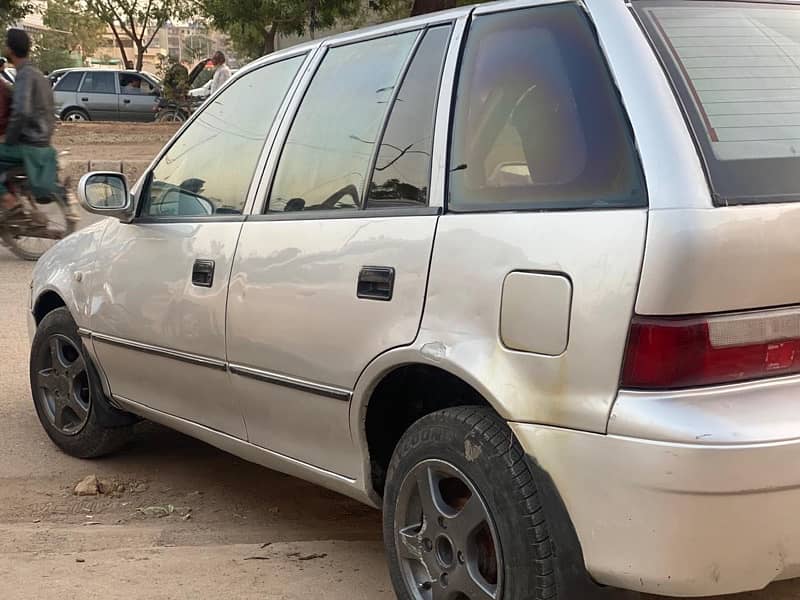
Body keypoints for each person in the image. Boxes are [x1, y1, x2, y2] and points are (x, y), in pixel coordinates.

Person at [0, 29, 61, 223]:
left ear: (10, 49)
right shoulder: (37, 74)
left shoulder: (24, 75)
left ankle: (9, 200)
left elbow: (21, 112)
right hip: (43, 142)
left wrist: (8, 140)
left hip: (29, 145)